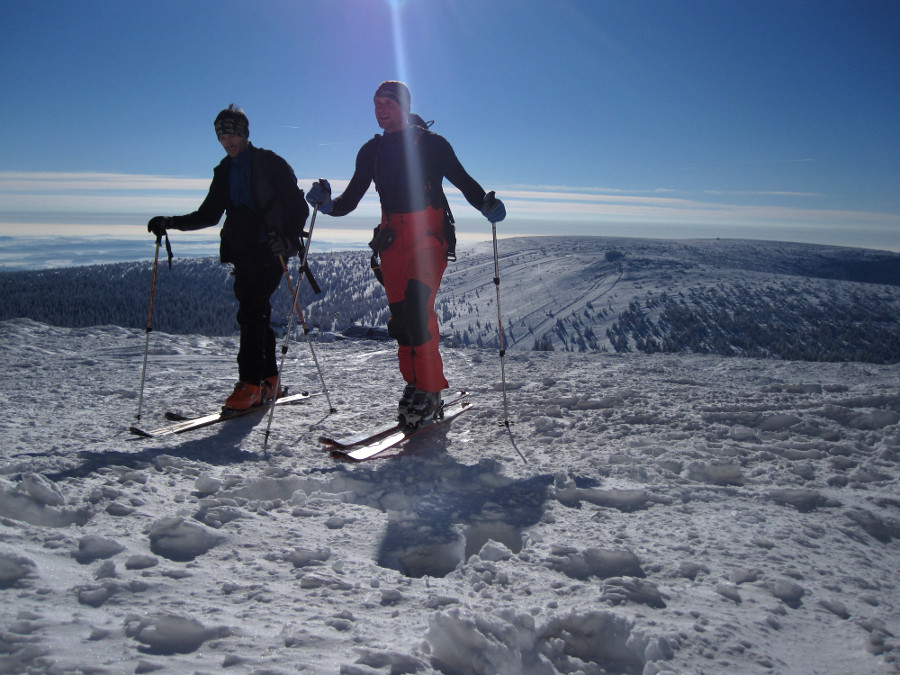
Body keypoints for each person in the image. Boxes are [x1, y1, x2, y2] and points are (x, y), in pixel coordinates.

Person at [306, 81, 506, 426]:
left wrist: (486, 204)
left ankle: (429, 389)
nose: (380, 109)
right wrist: (326, 205)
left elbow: (465, 182)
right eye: (375, 104)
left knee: (416, 309)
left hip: (429, 237)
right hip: (392, 241)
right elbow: (349, 200)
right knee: (401, 321)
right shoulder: (372, 151)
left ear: (404, 105)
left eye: (387, 103)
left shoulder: (432, 145)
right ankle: (415, 385)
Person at [147, 104, 309, 410]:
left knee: (250, 313)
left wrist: (287, 239)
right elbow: (209, 214)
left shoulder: (270, 163)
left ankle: (249, 385)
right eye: (221, 134)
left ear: (245, 134)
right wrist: (170, 222)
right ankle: (269, 380)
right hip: (242, 251)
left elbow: (297, 207)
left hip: (271, 251)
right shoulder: (224, 170)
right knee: (256, 313)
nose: (227, 140)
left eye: (232, 133)